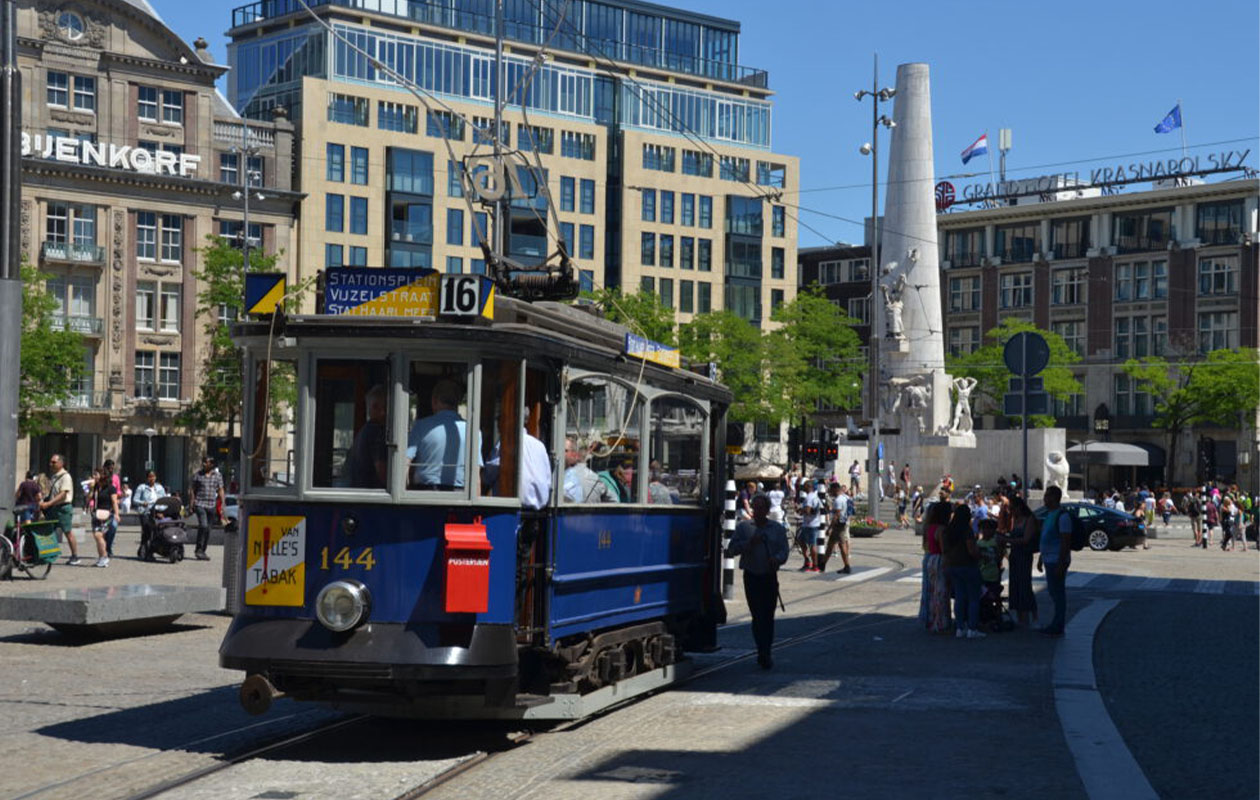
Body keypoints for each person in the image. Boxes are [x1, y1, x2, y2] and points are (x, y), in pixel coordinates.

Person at [725, 494, 789, 670]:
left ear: (767, 510)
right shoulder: (744, 528)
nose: (759, 511)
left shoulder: (777, 529)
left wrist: (777, 559)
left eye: (762, 508)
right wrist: (749, 544)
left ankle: (765, 651)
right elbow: (731, 550)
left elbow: (784, 550)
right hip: (751, 576)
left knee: (768, 616)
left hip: (769, 577)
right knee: (757, 615)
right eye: (756, 507)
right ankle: (761, 649)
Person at [407, 379, 469, 489]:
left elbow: (405, 463)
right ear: (457, 403)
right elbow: (476, 476)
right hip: (460, 496)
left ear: (434, 401)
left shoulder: (421, 426)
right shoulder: (472, 431)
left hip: (424, 494)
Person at [941, 504, 984, 638]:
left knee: (959, 597)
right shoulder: (966, 530)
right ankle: (972, 628)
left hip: (953, 566)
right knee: (973, 598)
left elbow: (944, 551)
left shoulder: (948, 531)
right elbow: (972, 550)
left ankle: (960, 627)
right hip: (968, 565)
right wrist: (981, 556)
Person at [1037, 485, 1073, 637]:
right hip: (1048, 558)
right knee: (1053, 592)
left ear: (1054, 498)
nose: (1045, 498)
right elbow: (1046, 538)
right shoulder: (1049, 515)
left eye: (1047, 496)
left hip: (1056, 560)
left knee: (1058, 593)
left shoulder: (1062, 516)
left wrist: (1061, 562)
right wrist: (1040, 557)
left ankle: (1058, 625)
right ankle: (1056, 623)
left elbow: (1065, 541)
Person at [1002, 496, 1039, 627]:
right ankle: (1020, 617)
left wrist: (1007, 541)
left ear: (1019, 507)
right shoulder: (1015, 519)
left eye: (1012, 508)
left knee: (1025, 585)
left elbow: (1026, 539)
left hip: (1024, 555)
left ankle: (1034, 616)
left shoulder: (1029, 519)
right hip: (1015, 555)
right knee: (1015, 585)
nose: (1011, 511)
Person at [918, 500, 953, 634]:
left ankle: (931, 619)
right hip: (938, 559)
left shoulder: (929, 526)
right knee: (941, 592)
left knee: (931, 591)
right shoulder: (941, 529)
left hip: (930, 558)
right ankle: (941, 621)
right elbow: (944, 549)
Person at [39, 455, 80, 564]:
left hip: (63, 508)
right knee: (48, 530)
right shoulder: (54, 476)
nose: (51, 464)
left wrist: (48, 504)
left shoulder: (66, 476)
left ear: (61, 463)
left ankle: (75, 556)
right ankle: (47, 554)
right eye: (50, 462)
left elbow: (63, 494)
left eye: (53, 462)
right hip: (53, 508)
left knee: (67, 531)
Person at [347, 383, 389, 489]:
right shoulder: (376, 432)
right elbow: (382, 472)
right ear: (375, 407)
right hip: (373, 497)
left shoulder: (364, 431)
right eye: (388, 407)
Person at [191, 456, 224, 561]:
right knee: (203, 526)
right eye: (203, 462)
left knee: (208, 530)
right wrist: (192, 503)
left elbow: (220, 489)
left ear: (212, 464)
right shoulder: (198, 475)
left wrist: (223, 503)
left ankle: (202, 551)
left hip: (212, 505)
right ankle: (198, 550)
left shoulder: (218, 475)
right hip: (200, 504)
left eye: (206, 462)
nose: (204, 464)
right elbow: (192, 490)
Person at [563, 438, 613, 503]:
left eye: (565, 450)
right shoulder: (595, 478)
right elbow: (614, 500)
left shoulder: (563, 478)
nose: (561, 453)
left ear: (575, 454)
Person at [88, 463, 118, 567]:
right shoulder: (96, 487)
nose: (93, 476)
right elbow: (89, 499)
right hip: (96, 514)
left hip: (107, 514)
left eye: (96, 474)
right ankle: (101, 557)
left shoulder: (110, 488)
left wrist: (117, 514)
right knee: (98, 537)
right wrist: (91, 489)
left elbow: (114, 501)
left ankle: (105, 556)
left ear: (102, 475)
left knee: (98, 535)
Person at [820, 482, 853, 573]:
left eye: (831, 490)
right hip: (844, 523)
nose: (830, 492)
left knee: (842, 545)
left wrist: (830, 528)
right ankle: (823, 564)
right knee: (830, 545)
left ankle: (847, 566)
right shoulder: (847, 497)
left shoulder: (838, 500)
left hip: (839, 525)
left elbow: (836, 515)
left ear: (835, 489)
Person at [796, 480, 822, 572]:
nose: (803, 488)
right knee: (801, 541)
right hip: (812, 523)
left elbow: (807, 511)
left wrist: (800, 510)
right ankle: (807, 561)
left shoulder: (809, 498)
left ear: (808, 487)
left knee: (812, 544)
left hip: (810, 524)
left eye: (805, 486)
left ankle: (814, 565)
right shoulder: (815, 496)